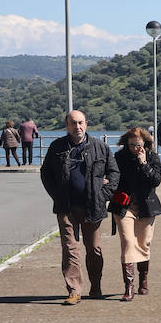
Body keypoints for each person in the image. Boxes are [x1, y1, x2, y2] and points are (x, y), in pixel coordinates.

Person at [40, 110, 118, 305]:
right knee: (70, 248)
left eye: (80, 122)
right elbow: (46, 173)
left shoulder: (100, 147)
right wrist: (56, 195)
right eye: (73, 123)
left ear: (86, 124)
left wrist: (103, 195)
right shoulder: (57, 147)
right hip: (66, 207)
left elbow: (114, 173)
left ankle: (96, 286)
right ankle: (74, 290)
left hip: (93, 207)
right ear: (67, 125)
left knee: (94, 249)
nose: (77, 127)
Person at [109, 127, 161, 301]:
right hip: (124, 206)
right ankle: (129, 286)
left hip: (146, 206)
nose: (135, 148)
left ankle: (143, 280)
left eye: (138, 144)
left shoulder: (152, 157)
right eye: (131, 145)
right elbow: (113, 178)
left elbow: (156, 181)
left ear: (145, 143)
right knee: (127, 242)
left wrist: (144, 163)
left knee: (144, 244)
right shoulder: (119, 157)